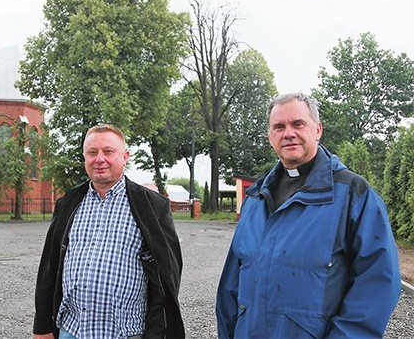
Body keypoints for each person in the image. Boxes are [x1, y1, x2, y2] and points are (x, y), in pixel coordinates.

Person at [216, 92, 401, 338]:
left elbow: (377, 283)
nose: (288, 133)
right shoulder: (256, 198)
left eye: (298, 124)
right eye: (279, 126)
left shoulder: (353, 196)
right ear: (271, 136)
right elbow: (232, 284)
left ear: (317, 130)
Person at [33, 124, 185, 339]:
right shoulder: (68, 202)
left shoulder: (152, 206)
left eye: (108, 152)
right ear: (84, 156)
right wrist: (42, 327)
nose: (99, 159)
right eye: (92, 152)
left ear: (125, 156)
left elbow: (167, 278)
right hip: (71, 330)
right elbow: (49, 267)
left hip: (126, 333)